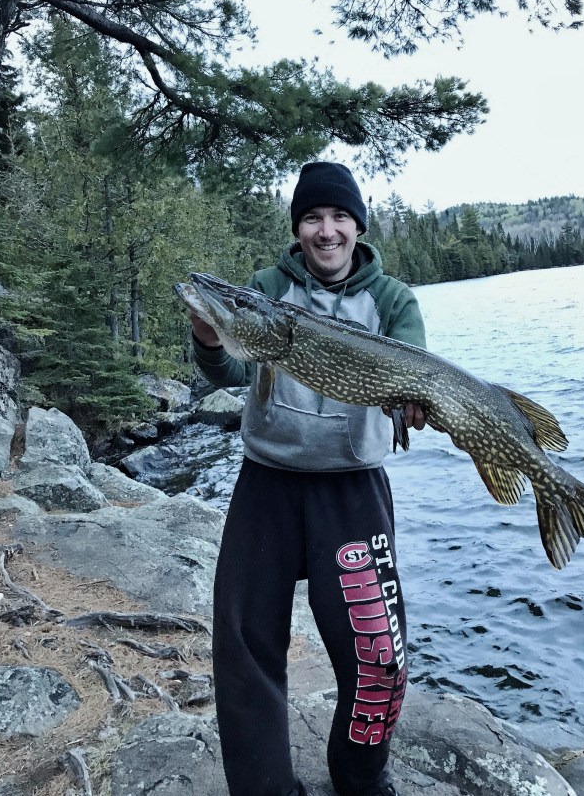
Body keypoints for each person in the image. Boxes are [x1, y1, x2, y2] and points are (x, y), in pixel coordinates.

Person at [190, 161, 427, 796]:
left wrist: (414, 406)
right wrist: (208, 340)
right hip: (267, 482)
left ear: (358, 225)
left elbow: (417, 382)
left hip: (352, 490)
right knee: (244, 646)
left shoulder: (393, 300)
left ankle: (358, 777)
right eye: (312, 218)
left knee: (377, 654)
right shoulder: (266, 288)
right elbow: (232, 374)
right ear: (298, 229)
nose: (326, 231)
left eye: (338, 216)